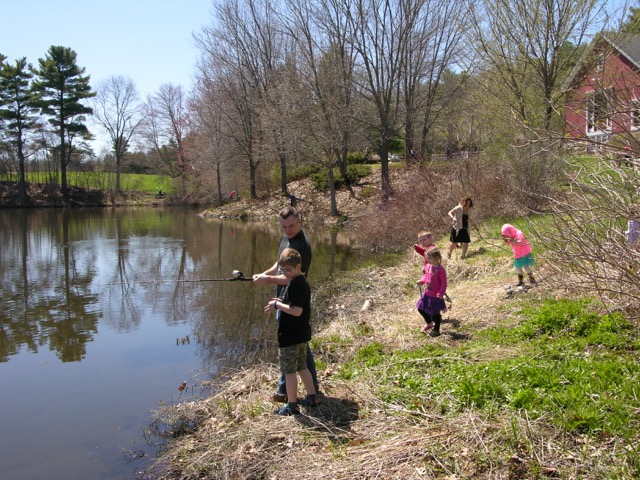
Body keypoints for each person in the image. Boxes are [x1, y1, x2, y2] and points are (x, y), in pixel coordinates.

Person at [252, 206, 319, 402]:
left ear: (300, 221)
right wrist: (265, 274)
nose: (288, 230)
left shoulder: (302, 246)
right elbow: (279, 265)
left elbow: (295, 278)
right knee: (300, 345)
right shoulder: (285, 238)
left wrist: (268, 281)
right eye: (284, 227)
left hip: (292, 300)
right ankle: (311, 386)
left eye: (291, 226)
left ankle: (285, 392)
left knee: (292, 344)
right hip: (282, 298)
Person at [264, 248, 319, 415]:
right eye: (283, 270)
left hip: (291, 337)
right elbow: (293, 302)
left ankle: (292, 405)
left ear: (298, 266)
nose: (285, 273)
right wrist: (280, 300)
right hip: (300, 335)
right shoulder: (298, 282)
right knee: (303, 367)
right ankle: (312, 397)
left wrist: (278, 305)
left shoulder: (297, 284)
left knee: (289, 372)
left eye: (288, 270)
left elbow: (297, 311)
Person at [416, 248, 447, 337]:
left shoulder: (441, 270)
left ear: (437, 258)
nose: (427, 260)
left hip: (436, 296)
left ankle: (436, 329)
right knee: (420, 308)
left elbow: (444, 283)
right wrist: (421, 281)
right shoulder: (428, 266)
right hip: (427, 294)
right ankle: (429, 323)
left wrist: (441, 293)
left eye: (429, 258)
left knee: (435, 314)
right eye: (427, 258)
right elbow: (426, 276)